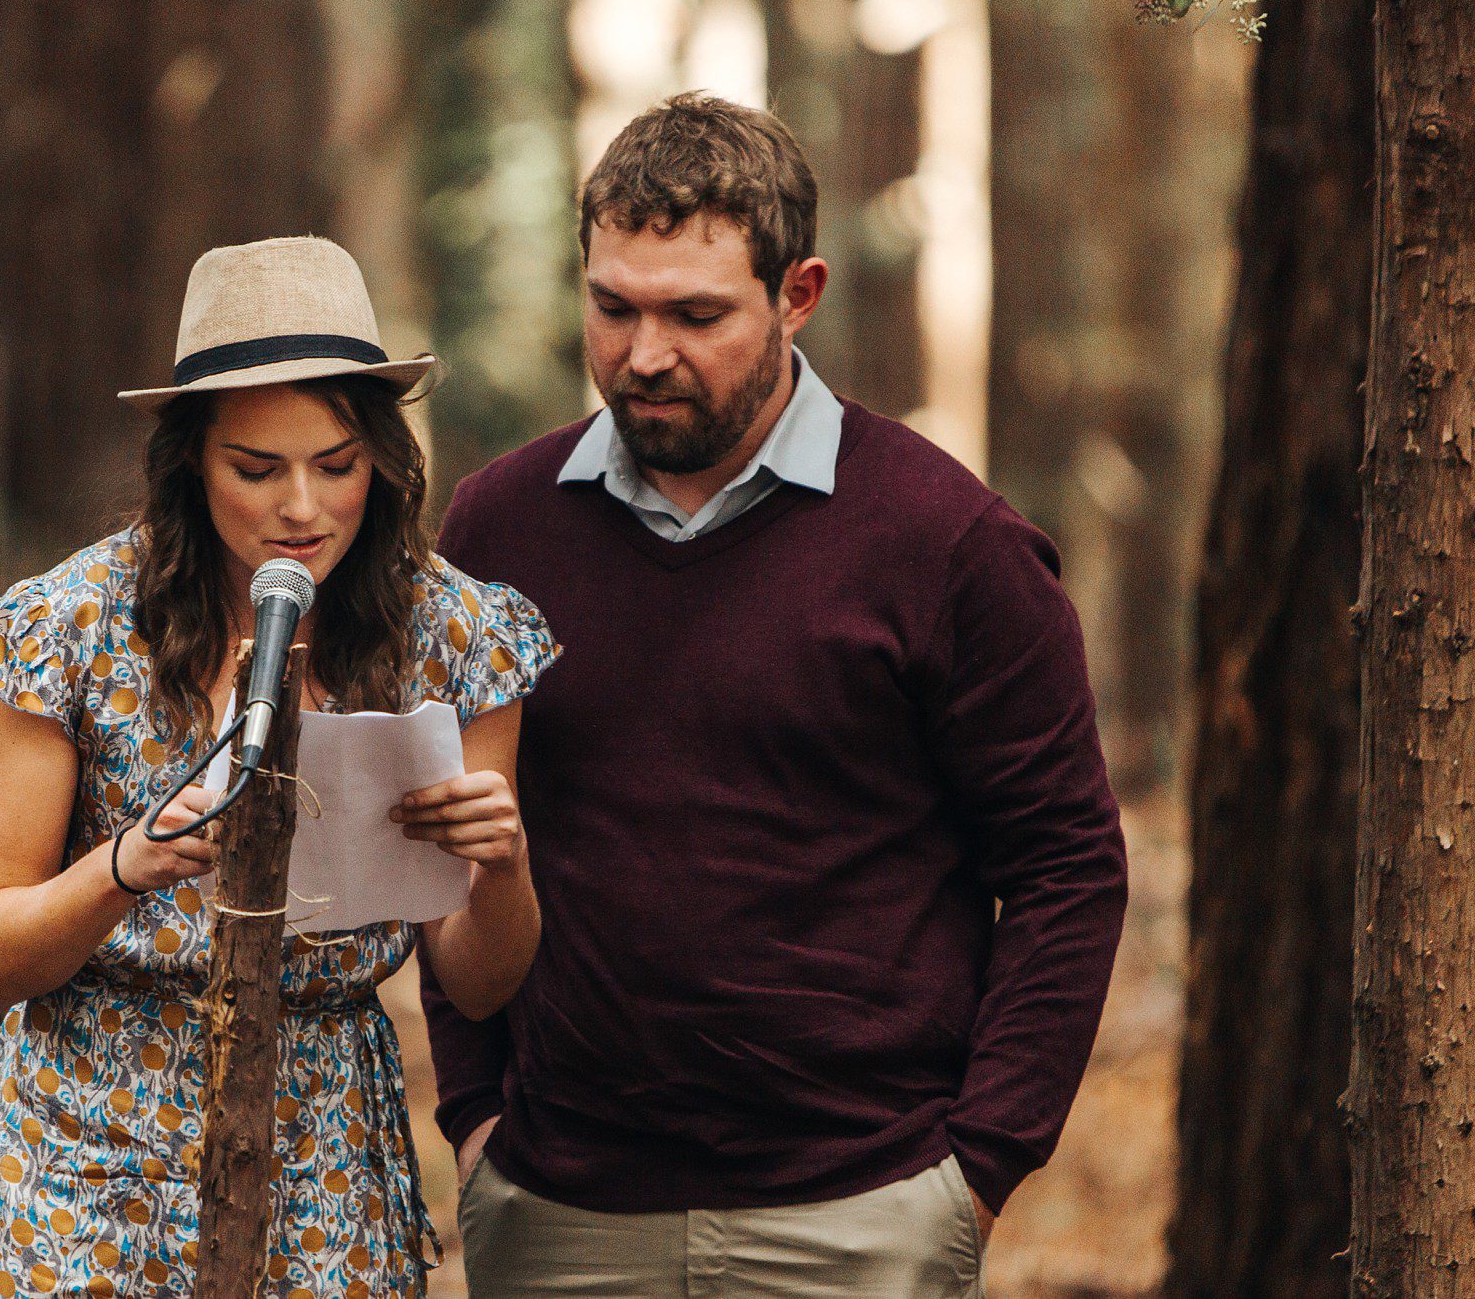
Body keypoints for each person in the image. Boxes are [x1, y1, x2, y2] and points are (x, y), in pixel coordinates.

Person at [421, 93, 1128, 1297]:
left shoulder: (947, 542)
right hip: (560, 1213)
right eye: (612, 306)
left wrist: (975, 1170)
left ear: (797, 294)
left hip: (861, 1214)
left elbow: (1065, 864)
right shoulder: (497, 526)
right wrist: (478, 1116)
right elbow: (448, 838)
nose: (643, 354)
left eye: (695, 315)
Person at [0, 236, 557, 1299]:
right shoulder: (72, 625)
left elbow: (480, 977)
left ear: (384, 459)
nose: (301, 508)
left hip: (322, 1161)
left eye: (337, 464)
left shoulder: (452, 632)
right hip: (87, 1152)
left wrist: (498, 861)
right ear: (189, 461)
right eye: (256, 469)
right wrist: (122, 864)